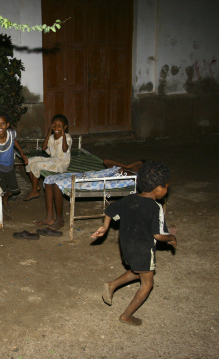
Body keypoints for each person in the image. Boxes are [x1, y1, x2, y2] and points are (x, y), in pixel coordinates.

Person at [91, 160, 177, 326]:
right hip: (142, 248)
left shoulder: (129, 199)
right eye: (166, 186)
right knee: (147, 283)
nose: (167, 190)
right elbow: (158, 235)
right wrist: (171, 238)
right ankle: (126, 316)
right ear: (158, 188)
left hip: (126, 246)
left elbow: (110, 209)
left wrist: (105, 226)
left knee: (138, 270)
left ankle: (111, 285)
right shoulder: (155, 207)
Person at [0, 111, 27, 212]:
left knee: (15, 189)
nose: (0, 126)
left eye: (2, 123)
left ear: (7, 125)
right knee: (0, 190)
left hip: (9, 166)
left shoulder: (11, 133)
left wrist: (22, 154)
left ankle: (5, 199)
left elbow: (14, 141)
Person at [24, 114, 72, 201]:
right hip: (52, 160)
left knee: (37, 165)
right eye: (54, 126)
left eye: (59, 126)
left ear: (65, 127)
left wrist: (63, 135)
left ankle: (34, 190)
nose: (56, 128)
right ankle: (35, 186)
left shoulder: (67, 137)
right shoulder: (51, 137)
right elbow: (43, 148)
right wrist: (49, 132)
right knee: (30, 161)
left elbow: (65, 149)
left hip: (61, 164)